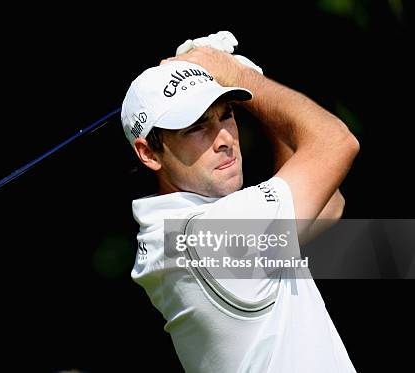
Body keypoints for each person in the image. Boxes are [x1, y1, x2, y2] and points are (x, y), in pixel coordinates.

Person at [121, 45, 359, 372]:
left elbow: (328, 206)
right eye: (196, 127)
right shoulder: (205, 235)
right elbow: (337, 141)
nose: (224, 139)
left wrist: (245, 80)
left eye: (227, 114)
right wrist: (244, 76)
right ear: (149, 153)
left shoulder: (169, 233)